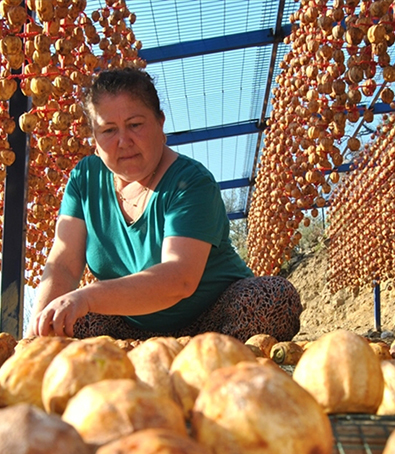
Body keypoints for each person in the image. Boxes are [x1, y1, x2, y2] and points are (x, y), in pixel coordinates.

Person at [28, 67, 302, 343]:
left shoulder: (190, 182)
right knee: (69, 321)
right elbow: (63, 264)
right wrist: (33, 341)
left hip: (213, 322)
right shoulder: (85, 179)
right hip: (132, 329)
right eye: (109, 130)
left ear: (160, 123)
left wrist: (88, 295)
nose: (124, 141)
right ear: (95, 141)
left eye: (135, 124)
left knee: (272, 298)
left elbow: (178, 278)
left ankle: (208, 365)